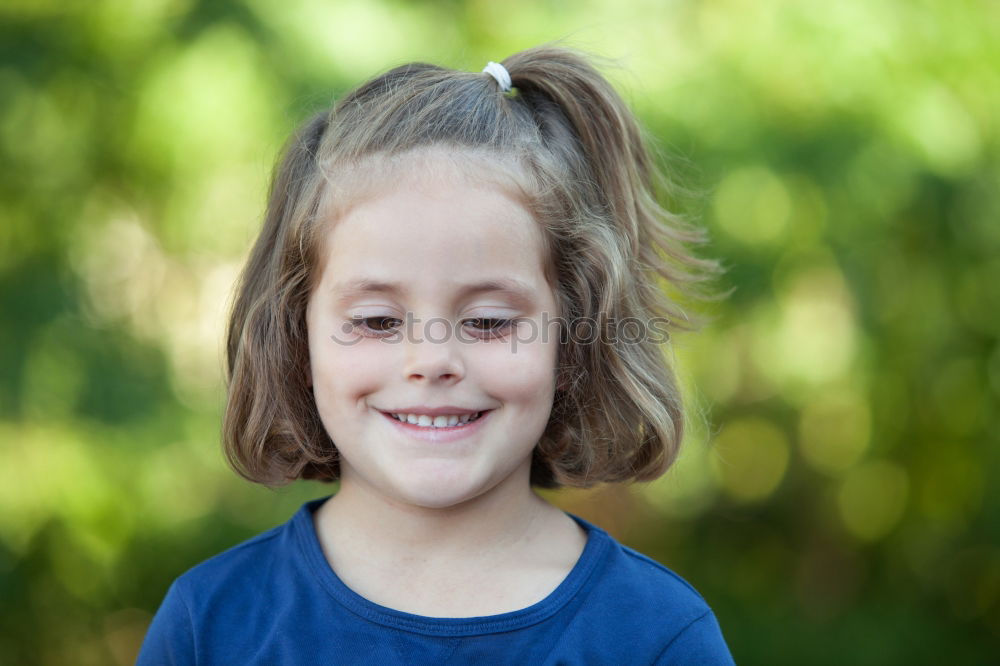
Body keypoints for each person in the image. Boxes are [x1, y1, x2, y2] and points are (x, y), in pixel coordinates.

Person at [137, 45, 735, 665]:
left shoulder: (655, 636)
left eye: (486, 321)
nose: (431, 359)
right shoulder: (211, 624)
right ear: (296, 335)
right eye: (375, 320)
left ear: (573, 334)